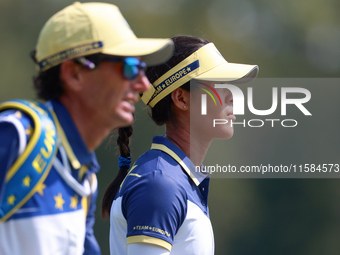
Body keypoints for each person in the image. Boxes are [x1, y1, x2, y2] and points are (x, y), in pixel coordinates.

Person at [0, 2, 174, 255]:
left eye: (143, 68)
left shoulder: (85, 178)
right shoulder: (16, 134)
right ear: (74, 74)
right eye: (129, 67)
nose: (144, 84)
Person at [102, 35, 259, 255]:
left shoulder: (172, 179)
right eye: (217, 84)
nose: (232, 95)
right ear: (181, 99)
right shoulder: (159, 184)